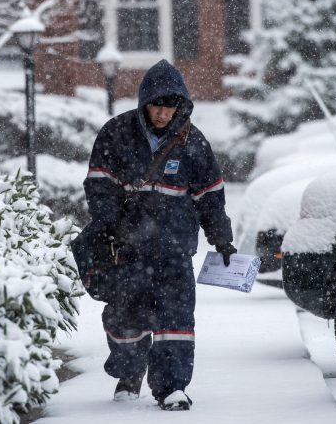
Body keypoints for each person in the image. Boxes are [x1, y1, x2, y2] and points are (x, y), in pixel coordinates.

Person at [83, 59, 236, 411]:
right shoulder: (116, 133)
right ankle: (130, 370)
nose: (164, 115)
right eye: (157, 107)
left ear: (180, 106)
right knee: (124, 318)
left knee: (176, 322)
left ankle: (171, 387)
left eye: (170, 108)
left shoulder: (193, 143)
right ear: (144, 104)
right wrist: (107, 224)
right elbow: (98, 185)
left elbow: (210, 196)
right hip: (127, 248)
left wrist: (221, 238)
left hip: (174, 249)